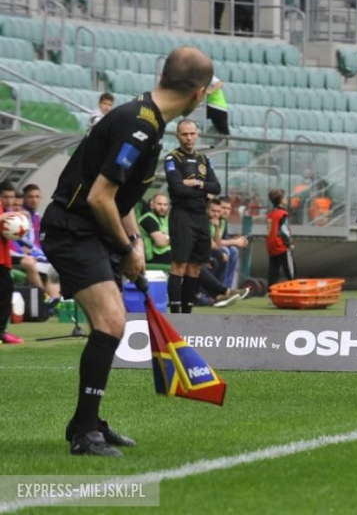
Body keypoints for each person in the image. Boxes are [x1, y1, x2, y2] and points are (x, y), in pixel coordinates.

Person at [40, 46, 214, 457]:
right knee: (112, 320)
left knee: (111, 324)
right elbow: (101, 198)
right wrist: (128, 247)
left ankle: (86, 421)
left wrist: (131, 244)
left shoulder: (148, 120)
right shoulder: (139, 126)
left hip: (94, 230)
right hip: (73, 228)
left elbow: (120, 199)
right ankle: (85, 433)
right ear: (200, 93)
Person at [166, 119, 242, 313]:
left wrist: (196, 184)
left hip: (201, 217)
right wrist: (202, 190)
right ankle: (175, 315)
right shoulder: (172, 159)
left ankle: (187, 313)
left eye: (192, 133)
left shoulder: (204, 159)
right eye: (184, 134)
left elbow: (216, 187)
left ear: (197, 134)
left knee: (195, 268)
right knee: (179, 265)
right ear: (177, 136)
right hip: (182, 215)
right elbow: (177, 188)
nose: (189, 138)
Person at [139, 194, 245, 307]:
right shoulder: (148, 219)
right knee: (192, 263)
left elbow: (214, 244)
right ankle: (223, 292)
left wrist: (170, 237)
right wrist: (176, 236)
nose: (162, 207)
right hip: (155, 256)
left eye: (165, 205)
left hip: (169, 252)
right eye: (159, 204)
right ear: (151, 204)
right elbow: (160, 242)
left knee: (198, 261)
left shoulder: (166, 219)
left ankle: (217, 295)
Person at [0, 181, 23, 345]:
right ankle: (1, 331)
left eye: (11, 197)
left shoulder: (8, 213)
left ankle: (2, 330)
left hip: (3, 259)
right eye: (5, 197)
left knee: (6, 290)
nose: (9, 200)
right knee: (6, 289)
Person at [217, 195, 249, 289]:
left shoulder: (223, 221)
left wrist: (237, 239)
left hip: (218, 247)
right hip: (209, 248)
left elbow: (225, 239)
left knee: (234, 251)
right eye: (223, 208)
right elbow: (215, 241)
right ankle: (220, 288)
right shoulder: (212, 220)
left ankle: (228, 288)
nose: (226, 211)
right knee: (226, 251)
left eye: (228, 208)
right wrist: (235, 241)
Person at [266, 188, 294, 286]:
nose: (286, 199)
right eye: (284, 197)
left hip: (271, 246)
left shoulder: (270, 214)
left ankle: (271, 293)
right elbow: (285, 231)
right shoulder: (282, 214)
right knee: (290, 270)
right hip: (281, 246)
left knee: (273, 271)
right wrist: (289, 244)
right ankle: (295, 289)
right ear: (281, 200)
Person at [22, 183, 42, 249]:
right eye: (30, 197)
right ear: (24, 198)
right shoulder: (20, 216)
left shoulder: (37, 216)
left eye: (37, 197)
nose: (34, 200)